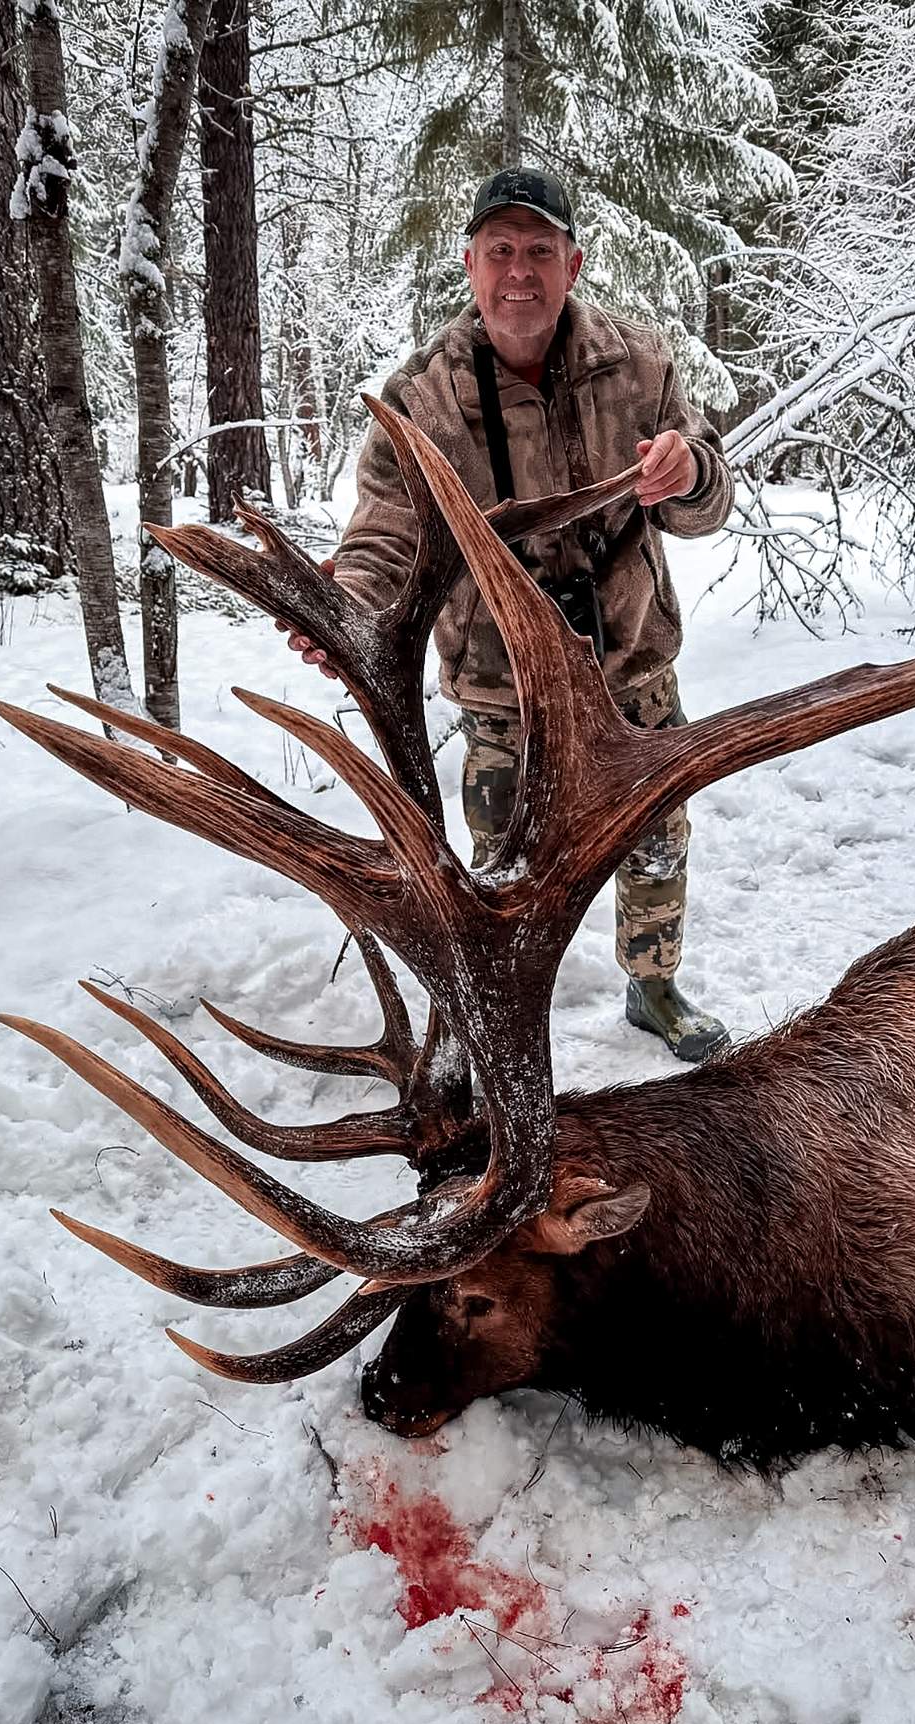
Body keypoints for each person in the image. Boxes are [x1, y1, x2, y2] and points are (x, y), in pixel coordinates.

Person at [288, 167, 734, 1062]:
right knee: (503, 875)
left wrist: (689, 474)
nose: (519, 272)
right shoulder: (420, 398)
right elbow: (382, 538)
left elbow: (706, 502)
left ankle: (653, 987)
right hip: (501, 692)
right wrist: (347, 611)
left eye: (539, 250)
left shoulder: (640, 365)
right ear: (471, 264)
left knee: (655, 841)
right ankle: (502, 1018)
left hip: (629, 671)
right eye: (500, 251)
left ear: (573, 264)